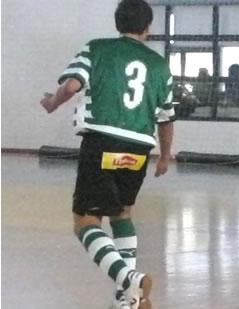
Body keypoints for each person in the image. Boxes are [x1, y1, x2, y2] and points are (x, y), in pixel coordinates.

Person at [39, 0, 175, 308]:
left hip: (103, 141)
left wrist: (52, 103)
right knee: (122, 213)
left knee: (86, 222)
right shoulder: (159, 65)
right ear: (147, 28)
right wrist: (165, 156)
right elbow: (167, 118)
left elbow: (72, 85)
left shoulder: (96, 48)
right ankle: (125, 298)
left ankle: (128, 278)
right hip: (140, 147)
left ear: (118, 24)